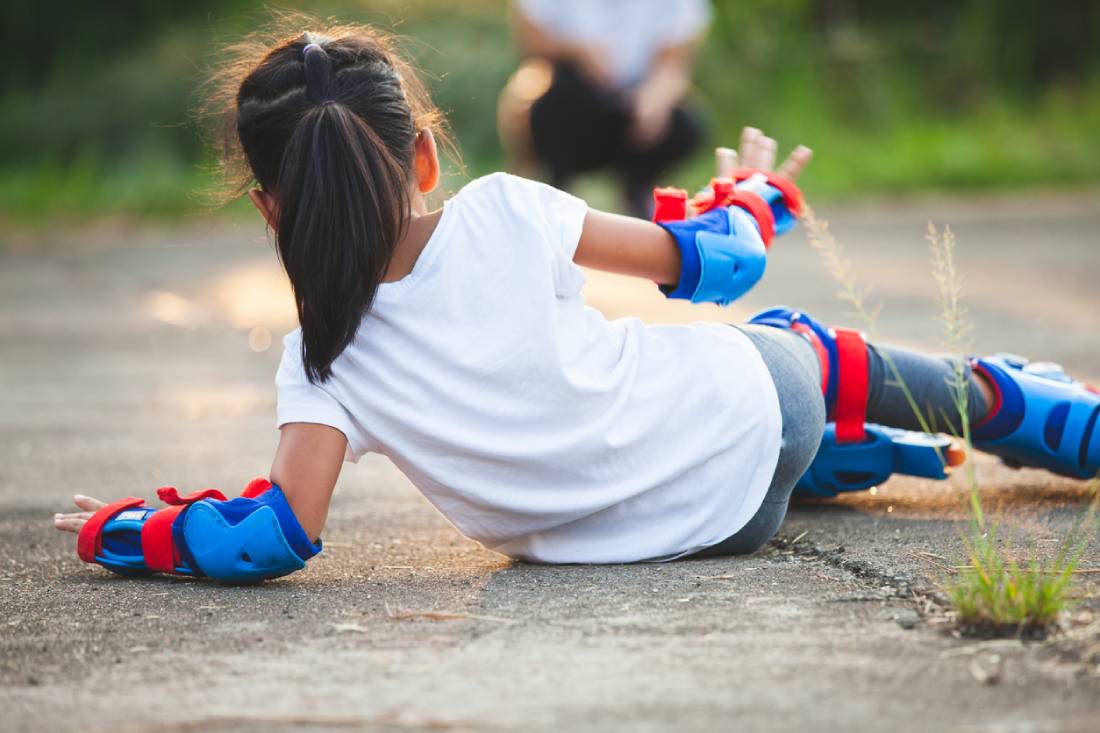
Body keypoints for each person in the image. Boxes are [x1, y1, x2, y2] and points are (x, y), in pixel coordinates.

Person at [54, 22, 1099, 581]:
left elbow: (270, 535)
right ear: (423, 158)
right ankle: (1028, 414)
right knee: (796, 348)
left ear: (269, 210)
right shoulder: (503, 210)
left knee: (765, 383)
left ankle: (827, 455)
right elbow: (715, 268)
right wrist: (748, 201)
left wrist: (132, 532)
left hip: (700, 532)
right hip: (748, 421)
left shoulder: (319, 361)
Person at [498, 0, 710, 217]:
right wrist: (577, 51)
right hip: (571, 95)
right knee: (552, 101)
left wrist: (655, 98)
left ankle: (640, 190)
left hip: (637, 98)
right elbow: (530, 40)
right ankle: (553, 191)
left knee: (684, 124)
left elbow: (676, 60)